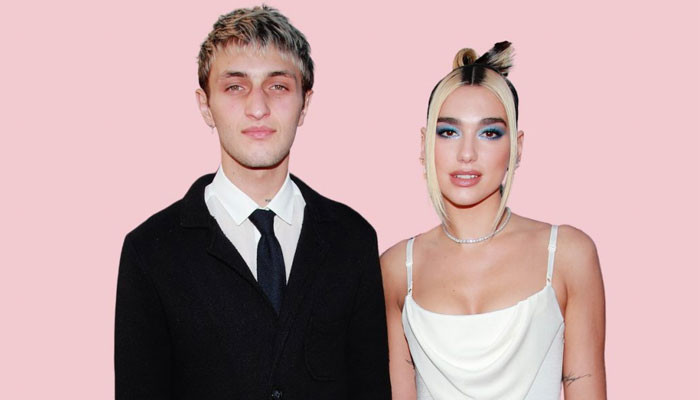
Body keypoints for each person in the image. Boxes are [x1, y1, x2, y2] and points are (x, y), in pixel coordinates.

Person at [114, 6, 391, 399]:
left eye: (278, 86)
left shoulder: (352, 238)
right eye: (235, 86)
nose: (258, 107)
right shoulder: (150, 251)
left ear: (305, 103)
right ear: (205, 105)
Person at [381, 42, 606, 399]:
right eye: (449, 132)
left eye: (489, 133)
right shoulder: (395, 269)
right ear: (424, 144)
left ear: (517, 147)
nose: (466, 154)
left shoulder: (567, 254)